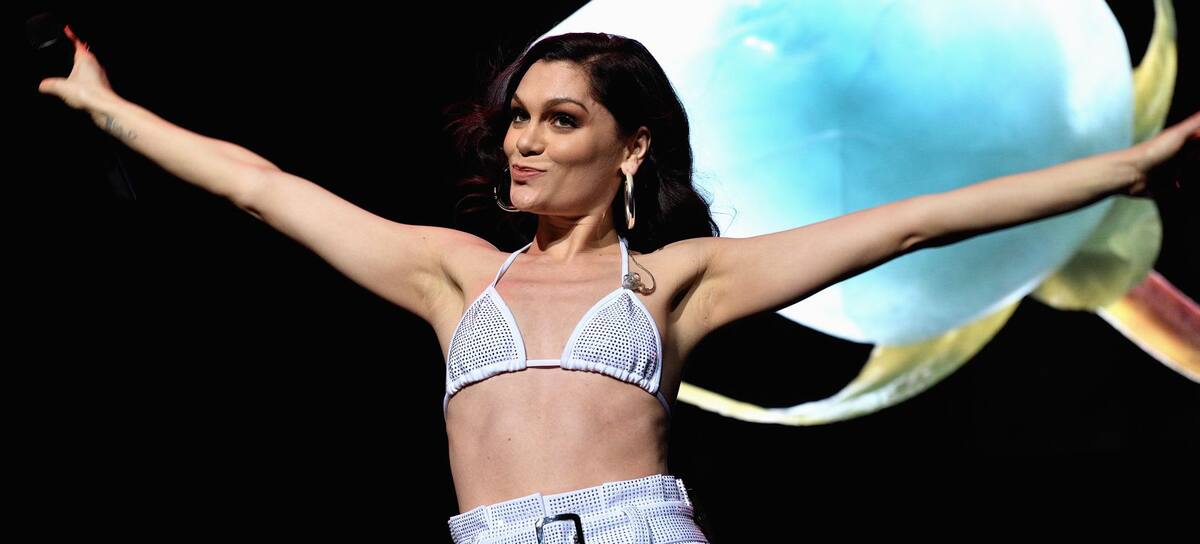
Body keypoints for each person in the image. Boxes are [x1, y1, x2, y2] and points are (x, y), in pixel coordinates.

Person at [38, 24, 1198, 544]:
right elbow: (260, 186)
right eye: (517, 120)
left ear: (630, 146)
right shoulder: (451, 274)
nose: (523, 143)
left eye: (560, 120)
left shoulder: (682, 280)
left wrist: (1128, 167)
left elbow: (914, 221)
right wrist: (107, 109)